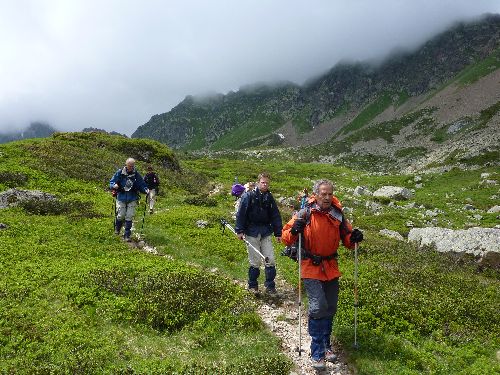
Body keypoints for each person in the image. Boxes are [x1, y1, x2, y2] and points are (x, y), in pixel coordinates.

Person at [281, 179, 363, 370]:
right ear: (315, 195)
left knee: (330, 307)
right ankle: (317, 352)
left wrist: (355, 238)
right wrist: (295, 229)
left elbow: (348, 240)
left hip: (331, 266)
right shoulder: (305, 213)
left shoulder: (337, 214)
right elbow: (285, 238)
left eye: (330, 194)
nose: (327, 197)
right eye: (323, 194)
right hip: (310, 266)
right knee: (318, 307)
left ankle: (326, 345)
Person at [235, 173, 283, 294]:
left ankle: (270, 286)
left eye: (267, 183)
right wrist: (239, 230)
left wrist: (278, 233)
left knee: (270, 259)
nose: (265, 185)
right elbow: (241, 214)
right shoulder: (248, 196)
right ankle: (253, 285)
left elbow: (275, 215)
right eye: (263, 182)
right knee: (255, 261)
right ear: (258, 182)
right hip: (251, 232)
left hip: (266, 232)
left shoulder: (269, 197)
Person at [109, 158, 149, 241]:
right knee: (120, 215)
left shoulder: (136, 174)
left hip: (132, 197)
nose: (131, 167)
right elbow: (112, 182)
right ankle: (117, 229)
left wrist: (145, 190)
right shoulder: (120, 173)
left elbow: (141, 184)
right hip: (121, 197)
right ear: (126, 165)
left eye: (132, 166)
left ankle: (127, 235)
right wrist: (114, 185)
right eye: (129, 166)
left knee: (129, 216)